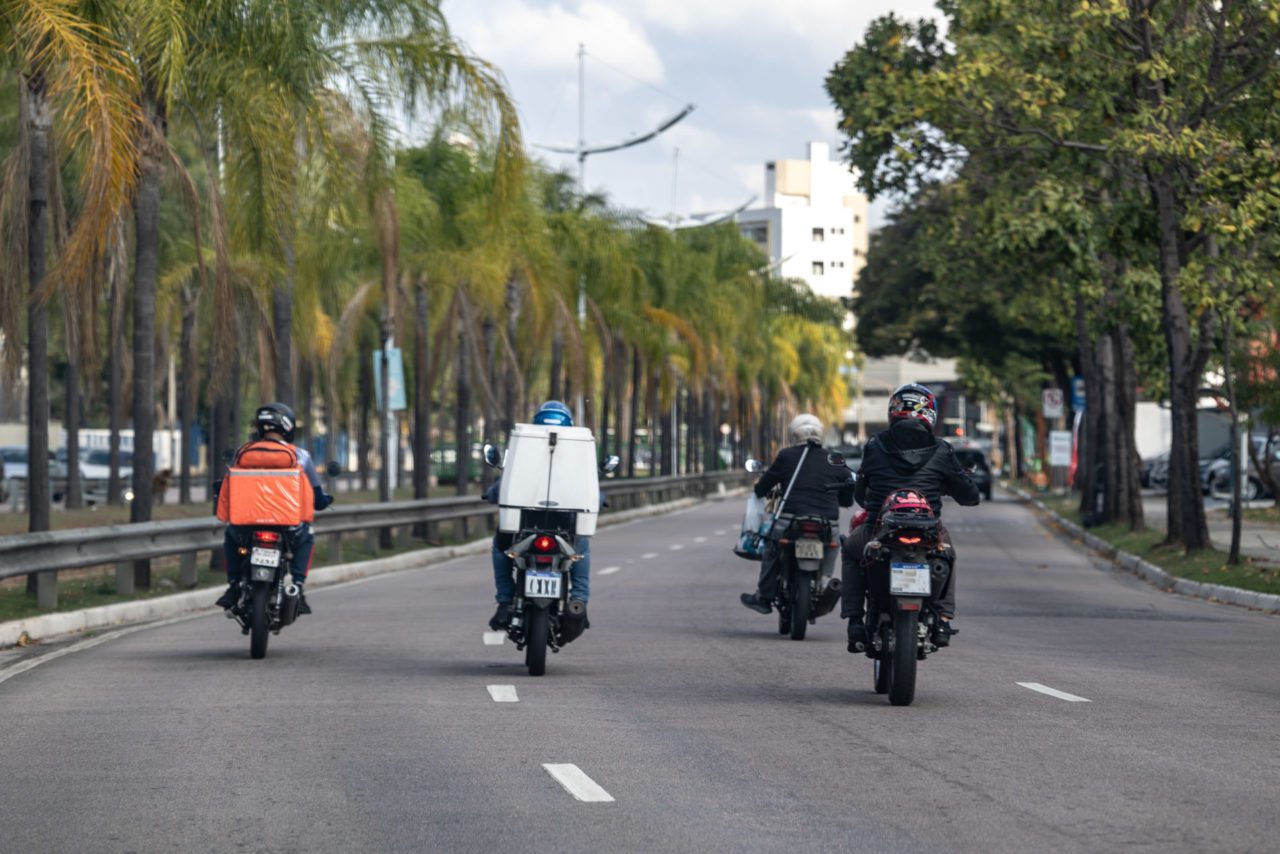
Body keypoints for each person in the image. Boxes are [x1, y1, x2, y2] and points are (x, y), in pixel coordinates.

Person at [841, 383, 979, 652]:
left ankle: (855, 621)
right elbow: (969, 496)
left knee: (850, 550)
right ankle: (943, 619)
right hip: (928, 530)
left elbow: (861, 494)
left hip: (879, 529)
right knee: (947, 553)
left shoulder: (875, 445)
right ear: (930, 413)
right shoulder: (942, 449)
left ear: (894, 410)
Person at [215, 403, 334, 614]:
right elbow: (315, 494)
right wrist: (323, 501)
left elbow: (229, 484)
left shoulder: (243, 452)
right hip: (287, 528)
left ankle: (233, 586)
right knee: (307, 537)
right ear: (288, 427)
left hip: (247, 527)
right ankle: (297, 586)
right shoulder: (301, 456)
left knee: (231, 536)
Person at [485, 400, 593, 630]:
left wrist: (492, 493)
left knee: (500, 547)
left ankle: (505, 601)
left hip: (524, 525)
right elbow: (590, 490)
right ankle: (579, 600)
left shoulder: (526, 449)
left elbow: (504, 486)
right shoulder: (577, 452)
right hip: (566, 525)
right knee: (581, 549)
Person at [740, 413, 855, 614]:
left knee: (771, 546)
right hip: (827, 523)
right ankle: (825, 578)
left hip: (790, 519)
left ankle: (764, 597)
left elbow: (762, 487)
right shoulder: (834, 458)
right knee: (834, 543)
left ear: (793, 435)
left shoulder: (787, 456)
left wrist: (764, 490)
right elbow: (848, 492)